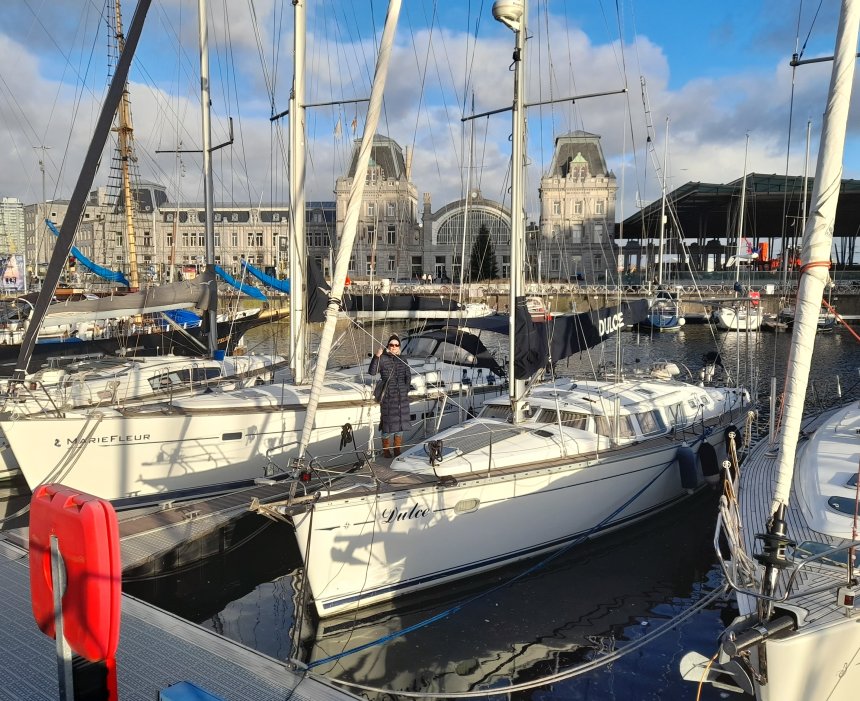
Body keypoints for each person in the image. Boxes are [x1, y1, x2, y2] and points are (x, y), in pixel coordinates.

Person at [369, 333, 412, 458]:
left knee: (400, 425)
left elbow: (408, 375)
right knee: (387, 426)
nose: (393, 347)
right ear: (388, 346)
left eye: (396, 345)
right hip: (388, 396)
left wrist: (405, 388)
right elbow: (372, 372)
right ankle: (386, 451)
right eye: (391, 345)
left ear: (399, 347)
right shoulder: (382, 358)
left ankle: (397, 450)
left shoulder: (403, 359)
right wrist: (376, 357)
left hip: (402, 397)